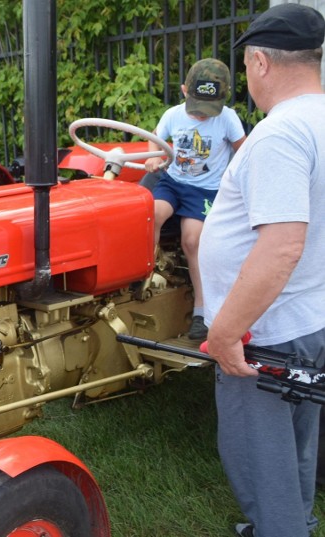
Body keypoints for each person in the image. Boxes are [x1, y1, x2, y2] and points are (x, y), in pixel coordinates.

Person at [199, 5, 325, 537]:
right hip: (308, 317)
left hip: (266, 333)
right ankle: (294, 520)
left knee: (261, 461)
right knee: (296, 444)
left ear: (258, 62)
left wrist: (225, 331)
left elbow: (281, 247)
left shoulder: (280, 134)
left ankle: (280, 527)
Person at [144, 58, 246, 341]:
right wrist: (155, 154)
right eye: (197, 106)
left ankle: (201, 311)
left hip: (206, 190)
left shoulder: (227, 118)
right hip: (174, 182)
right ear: (184, 90)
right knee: (151, 211)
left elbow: (244, 150)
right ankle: (146, 275)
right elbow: (154, 138)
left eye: (208, 110)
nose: (201, 115)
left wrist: (235, 182)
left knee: (193, 240)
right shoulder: (174, 115)